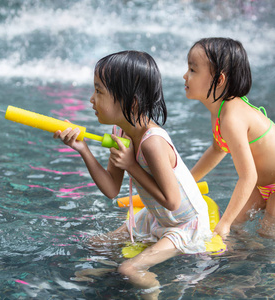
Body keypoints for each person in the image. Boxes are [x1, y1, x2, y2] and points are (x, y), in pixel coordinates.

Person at [54, 50, 211, 297]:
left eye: (99, 91)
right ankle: (108, 273)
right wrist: (82, 149)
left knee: (130, 269)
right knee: (96, 245)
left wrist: (132, 166)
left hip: (186, 224)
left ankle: (153, 290)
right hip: (156, 217)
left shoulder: (152, 142)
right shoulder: (121, 132)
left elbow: (173, 201)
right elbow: (111, 190)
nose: (91, 99)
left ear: (132, 102)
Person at [183, 38, 275, 245]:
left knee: (273, 236)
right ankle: (247, 268)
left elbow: (248, 176)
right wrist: (187, 182)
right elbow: (218, 149)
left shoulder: (232, 118)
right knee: (237, 228)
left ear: (219, 80)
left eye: (192, 70)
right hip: (261, 184)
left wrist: (223, 223)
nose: (185, 76)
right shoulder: (218, 111)